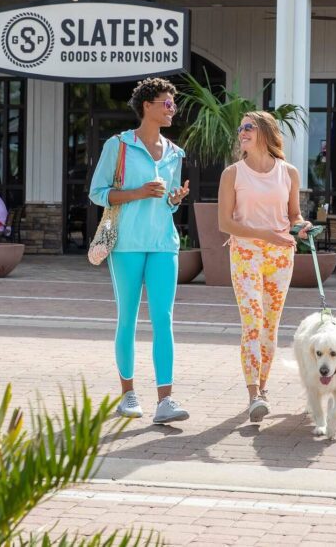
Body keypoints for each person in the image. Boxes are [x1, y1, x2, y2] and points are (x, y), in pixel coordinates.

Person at [89, 77, 191, 424]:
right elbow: (98, 192)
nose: (172, 108)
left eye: (173, 103)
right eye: (166, 102)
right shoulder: (117, 147)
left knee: (163, 319)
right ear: (147, 106)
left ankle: (166, 401)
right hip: (126, 246)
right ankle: (128, 395)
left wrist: (175, 199)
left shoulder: (175, 153)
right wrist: (137, 192)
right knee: (128, 319)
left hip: (164, 245)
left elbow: (168, 201)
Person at [218, 111, 313, 423]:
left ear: (265, 132)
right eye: (240, 127)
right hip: (245, 254)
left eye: (248, 127)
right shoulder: (233, 173)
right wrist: (264, 234)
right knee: (253, 324)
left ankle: (263, 389)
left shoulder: (289, 173)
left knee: (270, 329)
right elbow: (225, 223)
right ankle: (253, 394)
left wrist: (301, 225)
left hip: (280, 257)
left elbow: (294, 214)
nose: (242, 132)